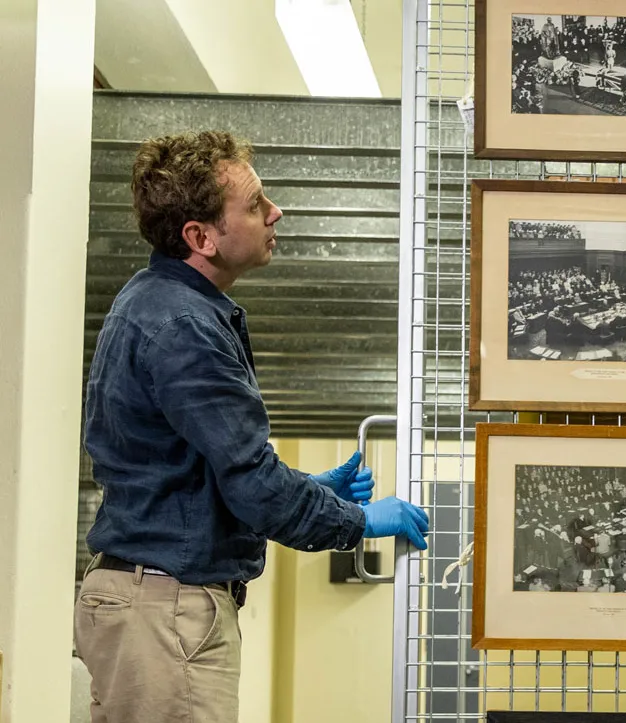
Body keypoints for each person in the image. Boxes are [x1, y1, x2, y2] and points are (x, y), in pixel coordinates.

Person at [74, 131, 432, 723]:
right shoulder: (184, 326)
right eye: (255, 204)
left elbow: (201, 474)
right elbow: (251, 483)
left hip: (155, 605)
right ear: (201, 236)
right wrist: (359, 520)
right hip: (167, 613)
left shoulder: (159, 301)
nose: (275, 212)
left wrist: (311, 492)